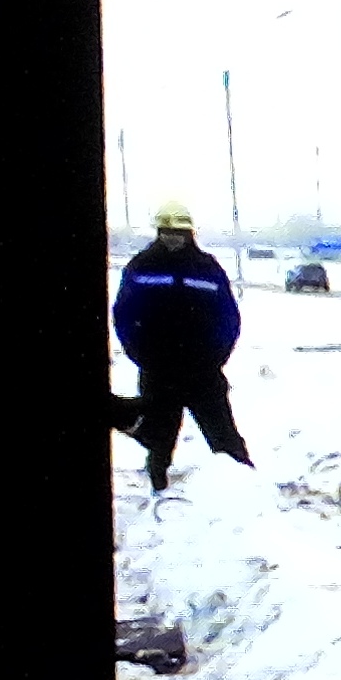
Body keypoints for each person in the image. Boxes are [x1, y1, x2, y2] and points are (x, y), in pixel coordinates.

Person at [112, 202, 252, 488]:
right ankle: (159, 489)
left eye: (179, 232)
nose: (173, 237)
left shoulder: (207, 268)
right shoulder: (141, 266)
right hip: (159, 371)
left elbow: (228, 317)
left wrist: (216, 356)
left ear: (190, 234)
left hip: (203, 371)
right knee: (160, 439)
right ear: (158, 232)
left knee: (224, 436)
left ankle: (247, 488)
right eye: (167, 231)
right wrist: (141, 354)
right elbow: (124, 315)